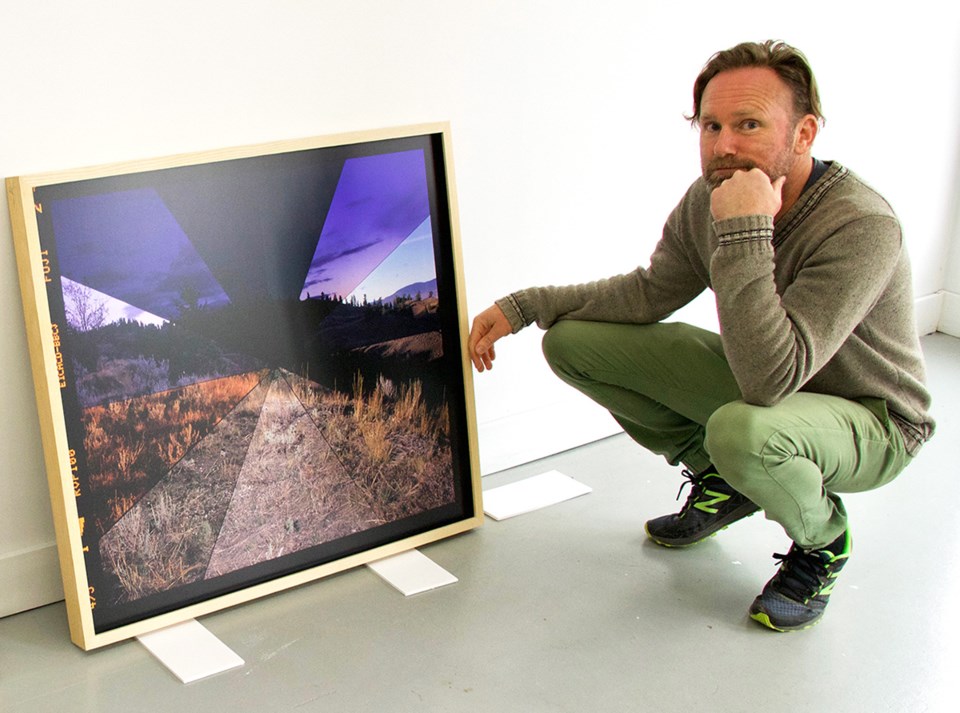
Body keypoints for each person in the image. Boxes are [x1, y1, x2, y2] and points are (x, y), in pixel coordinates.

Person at [468, 39, 935, 632]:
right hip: (778, 390)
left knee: (744, 428)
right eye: (711, 125)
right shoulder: (708, 198)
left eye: (749, 124)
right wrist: (528, 305)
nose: (724, 146)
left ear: (804, 133)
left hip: (872, 419)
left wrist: (744, 229)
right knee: (572, 343)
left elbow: (770, 380)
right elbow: (648, 293)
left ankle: (823, 541)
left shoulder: (860, 225)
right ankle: (722, 478)